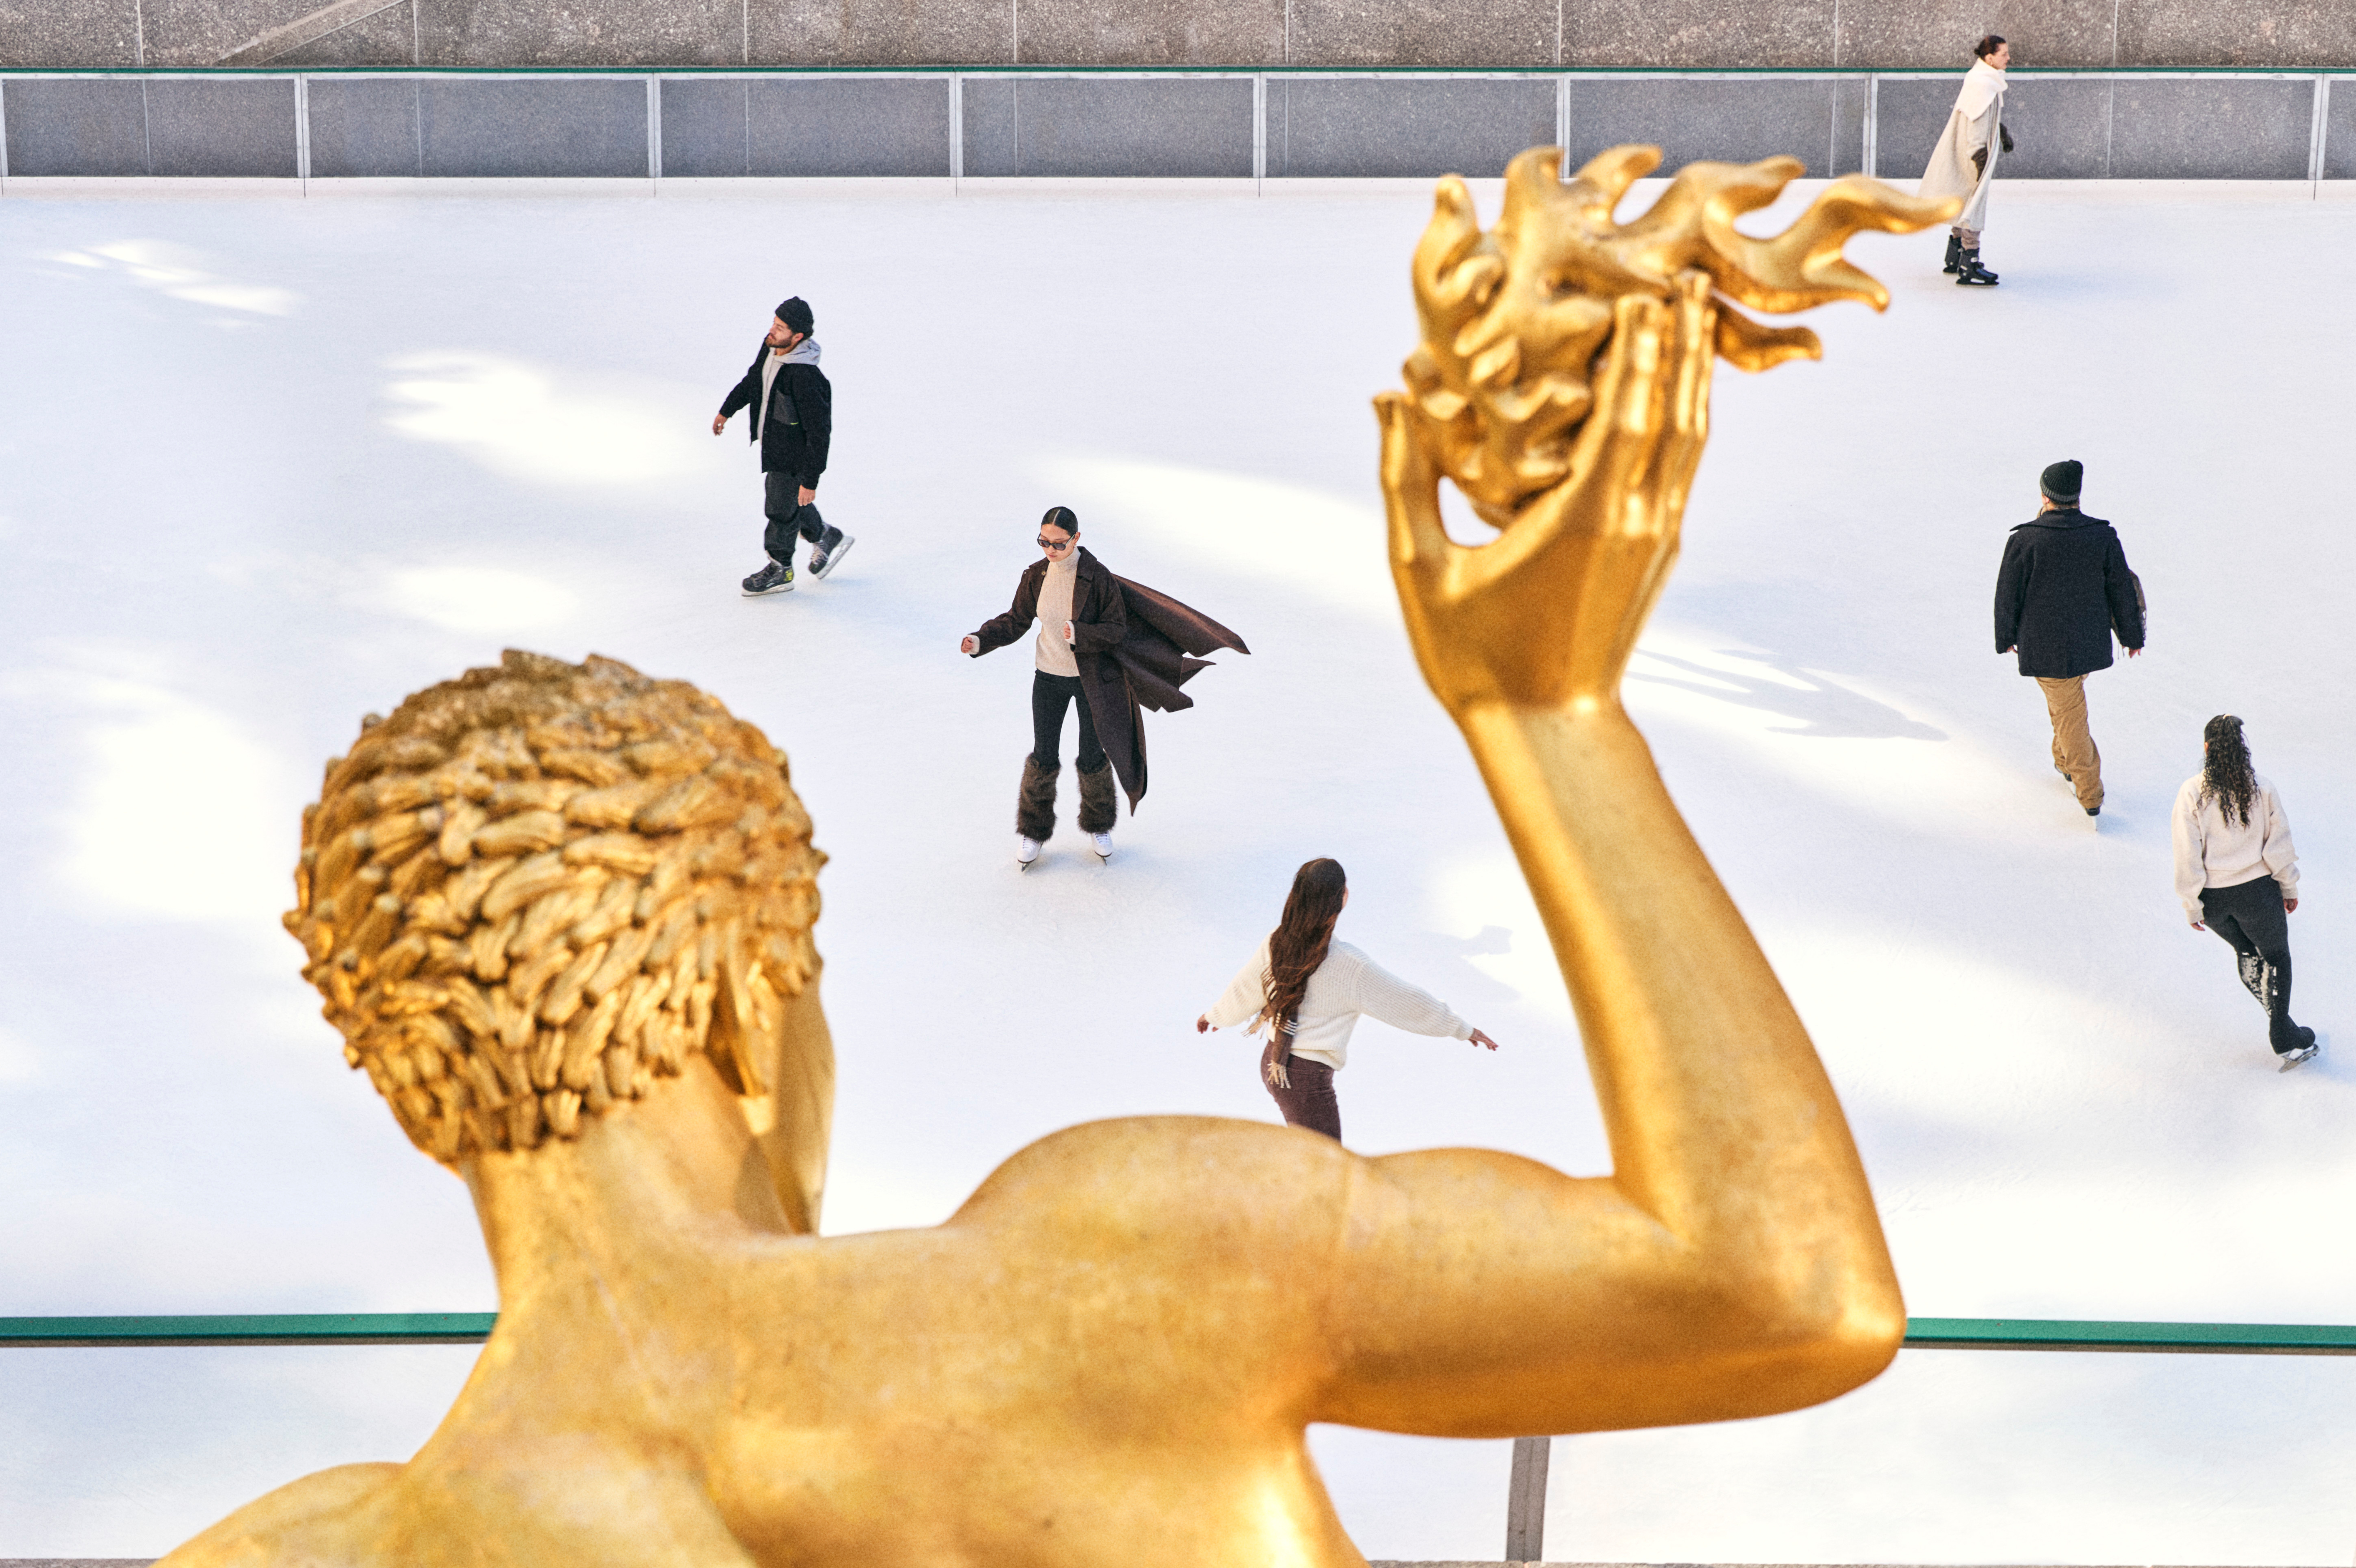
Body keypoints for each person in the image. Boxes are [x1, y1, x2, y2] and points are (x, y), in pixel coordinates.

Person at [960, 506, 1248, 869]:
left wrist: (1082, 634)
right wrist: (980, 640)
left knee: (1093, 755)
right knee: (1043, 755)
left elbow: (1116, 628)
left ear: (1076, 539)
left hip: (1091, 682)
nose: (1050, 549)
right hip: (1047, 678)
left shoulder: (1097, 578)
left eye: (1059, 543)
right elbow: (1017, 619)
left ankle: (1098, 825)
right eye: (1043, 542)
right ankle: (1033, 830)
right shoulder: (1036, 575)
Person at [1195, 858, 1499, 1143]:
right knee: (1326, 1168)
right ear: (1342, 899)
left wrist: (1216, 1016)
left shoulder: (1279, 939)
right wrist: (1461, 1028)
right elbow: (1406, 1003)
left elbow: (1245, 989)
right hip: (1304, 1080)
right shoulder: (1350, 967)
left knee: (1312, 1157)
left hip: (1274, 1062)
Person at [1994, 459, 2144, 819]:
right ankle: (2062, 760)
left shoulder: (2025, 540)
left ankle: (2089, 792)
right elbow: (2120, 589)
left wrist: (2006, 636)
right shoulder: (2101, 536)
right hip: (2087, 644)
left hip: (2045, 649)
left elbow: (2007, 593)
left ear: (2045, 496)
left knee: (2070, 717)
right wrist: (2130, 636)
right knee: (2066, 708)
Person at [2173, 715, 2317, 1069]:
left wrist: (2192, 905)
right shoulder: (2261, 788)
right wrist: (2287, 885)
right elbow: (2279, 846)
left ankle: (2284, 1026)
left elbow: (2186, 853)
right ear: (2242, 750)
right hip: (2257, 895)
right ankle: (2283, 1034)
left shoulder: (2191, 791)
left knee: (2246, 950)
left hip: (2215, 901)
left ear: (2206, 749)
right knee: (2276, 958)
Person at [712, 296, 852, 596]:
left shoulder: (807, 378)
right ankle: (826, 536)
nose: (772, 331)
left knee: (779, 508)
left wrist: (810, 480)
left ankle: (780, 568)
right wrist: (728, 410)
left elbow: (820, 433)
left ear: (798, 336)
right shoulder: (772, 348)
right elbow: (754, 381)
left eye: (780, 327)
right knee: (789, 502)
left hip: (795, 456)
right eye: (773, 323)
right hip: (774, 445)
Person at [1919, 35, 2012, 285]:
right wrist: (1980, 164)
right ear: (1990, 58)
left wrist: (2000, 131)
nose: (2009, 58)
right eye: (2004, 54)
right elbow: (1976, 128)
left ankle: (1956, 255)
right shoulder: (1983, 83)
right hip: (1972, 155)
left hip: (1964, 152)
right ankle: (1969, 264)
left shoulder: (1979, 78)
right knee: (1973, 205)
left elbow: (1979, 114)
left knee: (1962, 200)